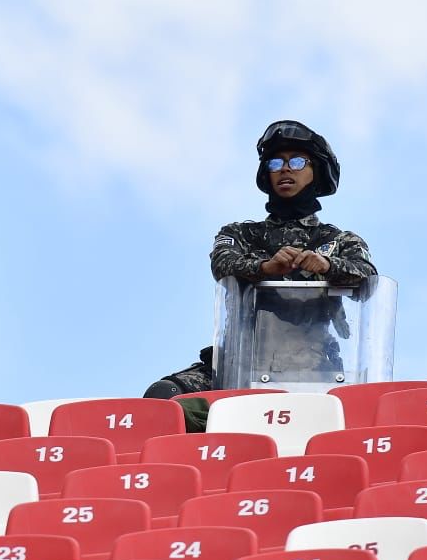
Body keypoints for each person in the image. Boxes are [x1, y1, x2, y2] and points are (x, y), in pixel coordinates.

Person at [147, 121, 377, 397]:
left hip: (314, 366)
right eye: (275, 163)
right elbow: (222, 263)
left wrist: (327, 265)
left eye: (297, 161)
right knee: (164, 396)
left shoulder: (338, 240)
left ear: (317, 172)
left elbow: (367, 277)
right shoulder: (241, 233)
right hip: (238, 364)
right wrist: (265, 268)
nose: (285, 169)